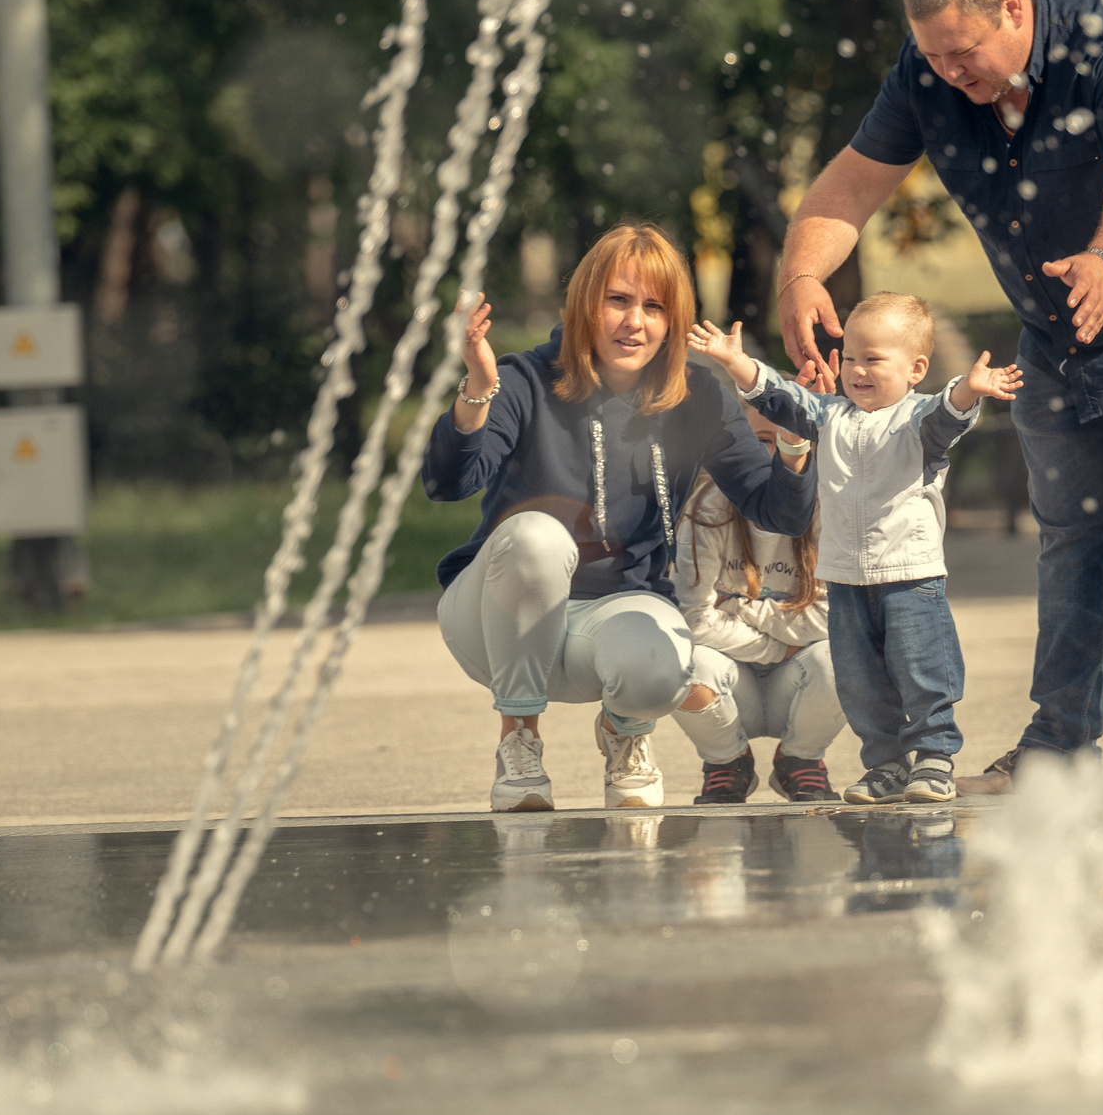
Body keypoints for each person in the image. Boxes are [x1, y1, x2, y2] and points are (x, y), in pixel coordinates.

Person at [773, 0, 1103, 790]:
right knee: (1071, 531)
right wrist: (803, 273)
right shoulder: (927, 70)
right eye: (934, 55)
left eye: (965, 53)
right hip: (1058, 317)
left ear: (1015, 8)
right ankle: (1058, 741)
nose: (951, 72)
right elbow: (850, 184)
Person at [424, 222, 816, 812]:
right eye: (618, 300)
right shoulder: (527, 379)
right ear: (586, 302)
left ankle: (625, 732)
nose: (635, 321)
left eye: (654, 307)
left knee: (662, 664)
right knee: (536, 537)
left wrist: (792, 448)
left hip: (603, 625)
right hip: (494, 620)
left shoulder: (699, 397)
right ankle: (520, 741)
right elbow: (449, 481)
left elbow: (778, 513)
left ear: (674, 320)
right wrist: (479, 386)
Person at [689, 293, 1022, 805]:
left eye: (873, 359)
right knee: (860, 679)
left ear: (915, 369)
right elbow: (780, 398)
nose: (857, 370)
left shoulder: (915, 422)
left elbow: (945, 417)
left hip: (909, 575)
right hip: (846, 578)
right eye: (849, 359)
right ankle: (885, 764)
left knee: (922, 668)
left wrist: (968, 391)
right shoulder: (830, 416)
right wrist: (738, 363)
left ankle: (934, 758)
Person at [670, 405, 843, 803]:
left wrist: (737, 606)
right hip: (730, 681)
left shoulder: (828, 508)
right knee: (673, 658)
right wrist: (780, 645)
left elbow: (832, 618)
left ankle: (800, 760)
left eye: (789, 442)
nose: (775, 456)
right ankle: (727, 762)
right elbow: (693, 619)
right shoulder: (706, 509)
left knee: (848, 654)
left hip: (800, 683)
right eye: (760, 441)